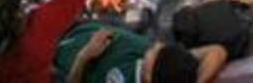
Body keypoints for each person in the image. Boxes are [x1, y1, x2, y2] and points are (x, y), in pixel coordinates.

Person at [54, 22, 227, 83]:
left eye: (156, 52)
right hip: (82, 25)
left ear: (150, 76)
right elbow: (217, 51)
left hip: (54, 53)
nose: (157, 45)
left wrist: (84, 56)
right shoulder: (175, 69)